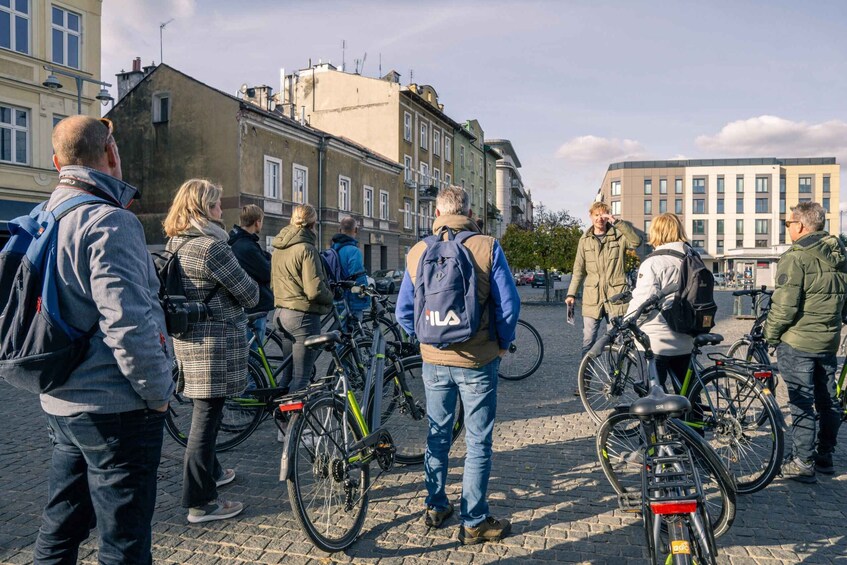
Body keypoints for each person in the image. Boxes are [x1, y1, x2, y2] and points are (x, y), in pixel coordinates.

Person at [33, 115, 174, 564]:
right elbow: (129, 324)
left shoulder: (43, 218)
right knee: (124, 541)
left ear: (57, 163)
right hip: (115, 409)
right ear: (111, 154)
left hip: (59, 400)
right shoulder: (109, 221)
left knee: (60, 528)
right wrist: (159, 395)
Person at [396, 185, 520, 545]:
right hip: (478, 359)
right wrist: (501, 345)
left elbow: (405, 311)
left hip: (433, 360)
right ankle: (475, 521)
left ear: (437, 214)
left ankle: (436, 506)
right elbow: (509, 305)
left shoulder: (418, 251)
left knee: (437, 434)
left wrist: (428, 341)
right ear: (469, 212)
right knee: (478, 440)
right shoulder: (487, 246)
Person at [163, 179, 259, 522]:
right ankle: (200, 502)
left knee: (208, 413)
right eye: (217, 205)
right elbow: (250, 294)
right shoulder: (212, 248)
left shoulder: (175, 243)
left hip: (189, 341)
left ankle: (214, 472)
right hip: (214, 345)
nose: (222, 211)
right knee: (205, 420)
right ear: (203, 208)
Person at [764, 202, 847, 483]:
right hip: (828, 341)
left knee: (801, 402)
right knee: (828, 401)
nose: (788, 228)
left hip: (798, 342)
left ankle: (802, 462)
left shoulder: (796, 257)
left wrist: (770, 335)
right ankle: (825, 457)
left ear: (799, 225)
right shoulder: (840, 255)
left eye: (789, 224)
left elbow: (784, 307)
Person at [566, 201, 641, 393]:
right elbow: (578, 270)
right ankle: (584, 382)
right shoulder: (584, 240)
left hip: (616, 298)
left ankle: (613, 382)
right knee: (588, 342)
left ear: (608, 216)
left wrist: (618, 223)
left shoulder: (619, 236)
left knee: (615, 343)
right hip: (593, 298)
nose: (600, 218)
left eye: (604, 214)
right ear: (590, 216)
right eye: (596, 215)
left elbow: (636, 242)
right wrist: (571, 293)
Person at [625, 213, 694, 390]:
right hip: (687, 337)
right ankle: (692, 417)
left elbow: (643, 301)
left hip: (657, 341)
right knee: (688, 394)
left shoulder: (654, 262)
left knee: (654, 395)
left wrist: (627, 322)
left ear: (656, 232)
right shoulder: (693, 259)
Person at [271, 204, 334, 394]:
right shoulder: (306, 249)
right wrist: (330, 297)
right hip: (302, 317)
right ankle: (294, 421)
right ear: (313, 224)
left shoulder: (278, 248)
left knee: (288, 375)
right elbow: (314, 290)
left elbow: (273, 284)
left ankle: (279, 412)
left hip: (281, 314)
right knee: (301, 378)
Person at [228, 204, 275, 348]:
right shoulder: (247, 246)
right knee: (253, 352)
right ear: (257, 222)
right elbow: (267, 272)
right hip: (256, 304)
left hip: (250, 303)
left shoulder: (240, 242)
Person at [331, 216, 370, 325]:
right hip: (352, 301)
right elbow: (357, 278)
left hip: (337, 298)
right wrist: (365, 295)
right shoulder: (354, 251)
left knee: (340, 330)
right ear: (356, 230)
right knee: (353, 335)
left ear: (339, 230)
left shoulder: (333, 250)